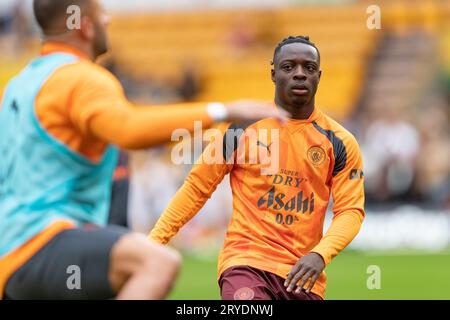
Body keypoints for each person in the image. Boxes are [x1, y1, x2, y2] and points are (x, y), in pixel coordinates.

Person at [0, 0, 288, 300]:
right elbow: (128, 129)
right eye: (101, 13)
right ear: (84, 25)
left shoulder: (17, 85)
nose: (108, 19)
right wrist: (223, 110)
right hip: (42, 242)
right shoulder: (80, 77)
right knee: (155, 263)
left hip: (12, 257)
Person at [150, 36, 365, 300]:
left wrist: (320, 254)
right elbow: (196, 188)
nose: (299, 74)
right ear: (273, 73)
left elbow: (351, 211)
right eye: (289, 67)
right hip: (246, 263)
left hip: (303, 275)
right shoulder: (242, 128)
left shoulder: (340, 142)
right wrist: (154, 243)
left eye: (308, 68)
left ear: (319, 76)